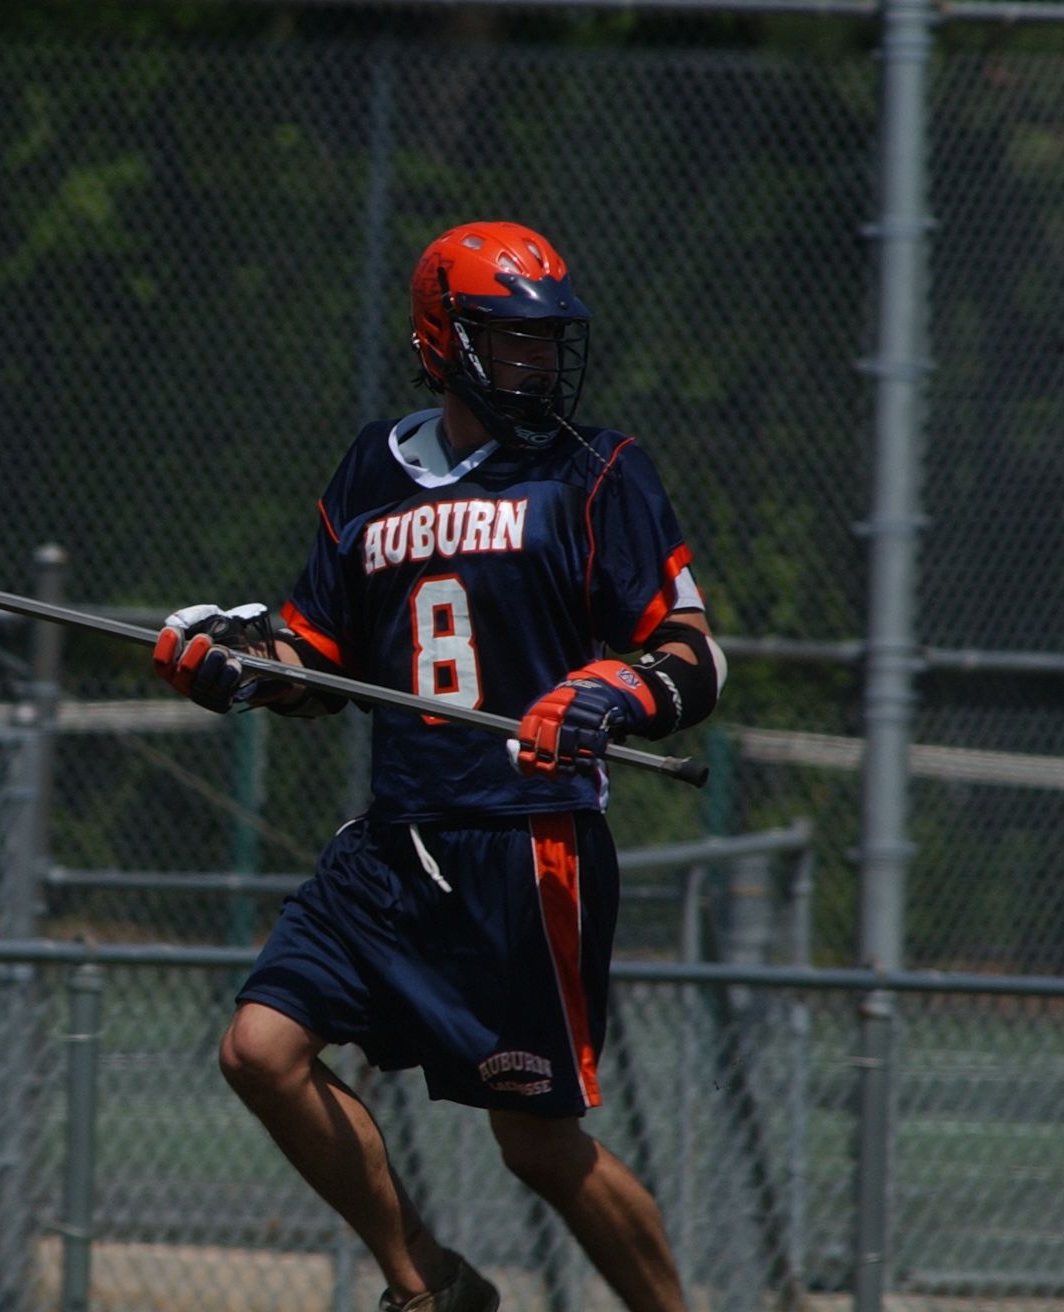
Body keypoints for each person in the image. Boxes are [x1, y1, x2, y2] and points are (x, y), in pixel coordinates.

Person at [151, 221, 724, 1312]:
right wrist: (238, 666)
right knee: (259, 1050)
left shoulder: (595, 471)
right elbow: (317, 663)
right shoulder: (372, 469)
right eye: (511, 340)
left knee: (536, 1144)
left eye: (547, 340)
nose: (538, 361)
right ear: (443, 341)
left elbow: (693, 653)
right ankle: (430, 1281)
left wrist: (612, 690)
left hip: (525, 842)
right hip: (395, 843)